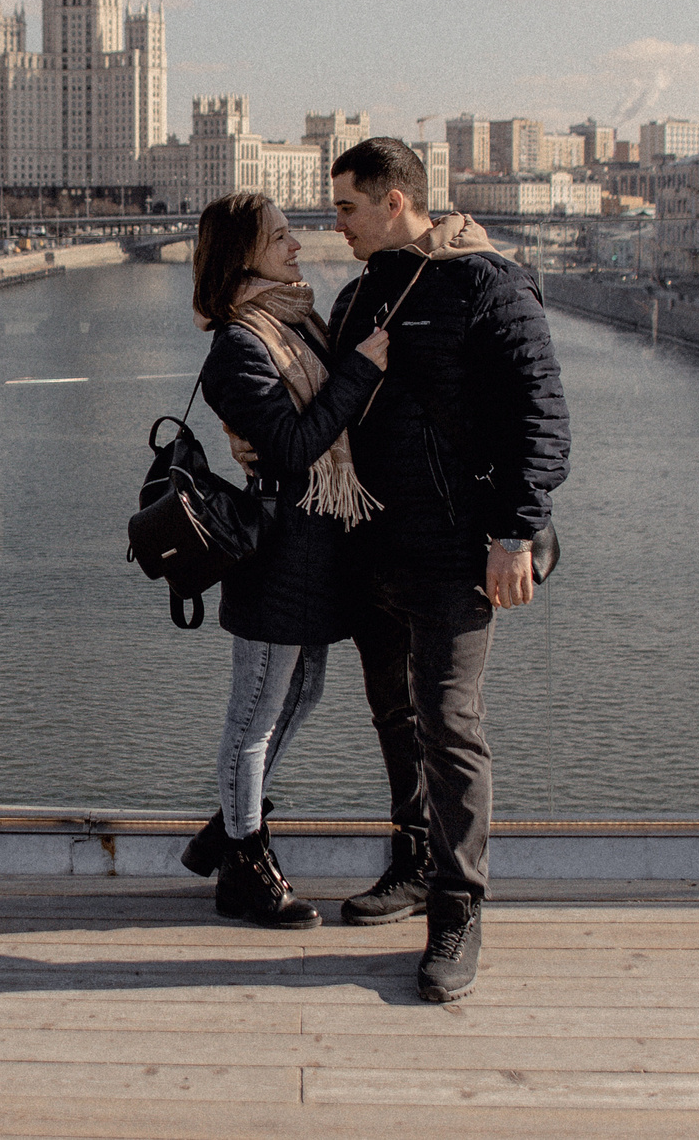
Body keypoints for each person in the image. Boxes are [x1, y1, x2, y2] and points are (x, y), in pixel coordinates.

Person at [323, 138, 568, 1003]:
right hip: (374, 545)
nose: (335, 224)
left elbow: (544, 417)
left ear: (395, 201)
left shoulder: (488, 284)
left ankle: (459, 909)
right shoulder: (360, 295)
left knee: (449, 721)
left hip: (459, 548)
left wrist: (516, 532)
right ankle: (416, 861)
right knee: (395, 711)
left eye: (346, 207)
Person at [179, 191, 390, 928]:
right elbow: (298, 450)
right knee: (256, 713)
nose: (297, 245)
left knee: (302, 697)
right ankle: (245, 866)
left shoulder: (292, 323)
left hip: (317, 545)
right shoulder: (240, 345)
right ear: (243, 256)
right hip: (277, 550)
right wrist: (359, 372)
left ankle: (229, 826)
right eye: (279, 237)